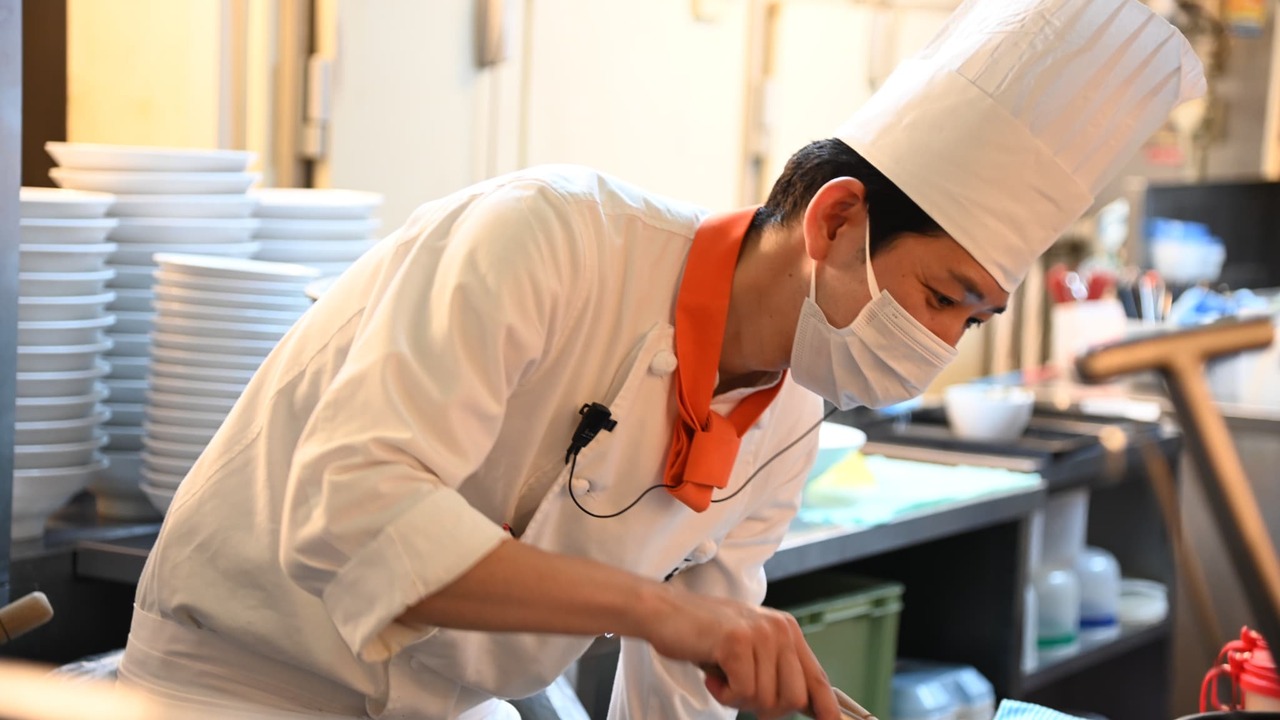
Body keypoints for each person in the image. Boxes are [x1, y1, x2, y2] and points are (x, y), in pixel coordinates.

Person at [118, 0, 1205, 718]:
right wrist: (654, 607)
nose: (934, 345)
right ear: (832, 224)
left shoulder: (787, 425)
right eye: (938, 297)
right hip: (232, 685)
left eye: (966, 322)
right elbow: (348, 508)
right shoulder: (546, 239)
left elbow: (688, 679)